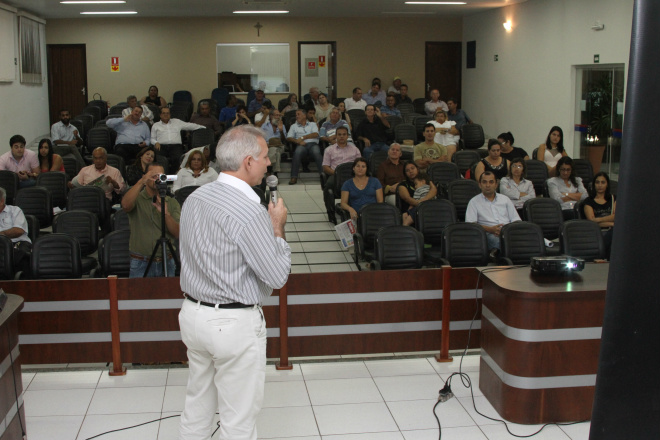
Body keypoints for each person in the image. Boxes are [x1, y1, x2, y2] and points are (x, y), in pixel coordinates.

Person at [178, 125, 290, 440]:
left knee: (197, 404)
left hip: (193, 315)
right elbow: (277, 277)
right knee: (238, 419)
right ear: (248, 161)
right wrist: (277, 228)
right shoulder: (248, 211)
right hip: (233, 324)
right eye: (265, 156)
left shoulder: (194, 198)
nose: (269, 163)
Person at [122, 162, 180, 278]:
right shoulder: (137, 198)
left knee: (168, 296)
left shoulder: (172, 202)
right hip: (141, 262)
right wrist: (142, 181)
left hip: (167, 260)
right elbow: (126, 205)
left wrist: (166, 214)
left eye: (160, 176)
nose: (156, 179)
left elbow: (177, 233)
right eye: (153, 176)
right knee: (139, 296)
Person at [466, 170, 521, 253]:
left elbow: (516, 220)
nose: (488, 185)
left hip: (508, 232)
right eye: (484, 182)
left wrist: (506, 231)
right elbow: (471, 225)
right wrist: (490, 229)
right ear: (480, 185)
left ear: (496, 184)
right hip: (488, 233)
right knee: (499, 241)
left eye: (491, 182)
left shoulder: (505, 199)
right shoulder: (473, 202)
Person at [322, 126, 361, 223]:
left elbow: (360, 164)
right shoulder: (329, 150)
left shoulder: (355, 149)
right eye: (339, 134)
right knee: (328, 187)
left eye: (344, 134)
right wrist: (336, 174)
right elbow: (325, 167)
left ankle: (360, 210)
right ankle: (330, 213)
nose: (342, 137)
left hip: (353, 175)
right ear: (336, 136)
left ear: (347, 136)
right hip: (335, 175)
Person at [151, 106, 206, 172]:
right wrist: (155, 142)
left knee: (177, 158)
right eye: (164, 113)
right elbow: (152, 138)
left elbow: (189, 126)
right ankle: (163, 176)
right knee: (160, 159)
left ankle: (175, 176)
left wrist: (203, 127)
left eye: (167, 113)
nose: (166, 115)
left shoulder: (177, 122)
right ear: (160, 115)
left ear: (170, 114)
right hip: (161, 146)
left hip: (175, 146)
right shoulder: (156, 125)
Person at [340, 157, 383, 222]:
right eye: (358, 166)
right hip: (355, 215)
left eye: (363, 167)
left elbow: (380, 202)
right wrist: (350, 209)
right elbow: (343, 203)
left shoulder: (375, 181)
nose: (360, 169)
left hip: (373, 214)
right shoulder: (347, 184)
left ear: (367, 169)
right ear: (353, 168)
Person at [0, 186, 32, 274]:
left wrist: (1, 234)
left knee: (20, 255)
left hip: (17, 243)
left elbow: (19, 230)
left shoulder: (15, 211)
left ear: (2, 201)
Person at [584, 171, 615, 259]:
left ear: (607, 184)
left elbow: (616, 217)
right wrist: (611, 223)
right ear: (594, 185)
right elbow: (591, 223)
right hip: (597, 232)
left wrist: (598, 219)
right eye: (597, 182)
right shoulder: (588, 201)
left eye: (603, 182)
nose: (600, 185)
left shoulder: (613, 198)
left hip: (611, 231)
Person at [286, 109, 321, 185]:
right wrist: (297, 141)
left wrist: (303, 137)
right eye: (296, 115)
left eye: (298, 114)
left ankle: (323, 175)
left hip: (313, 144)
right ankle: (294, 177)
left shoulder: (312, 124)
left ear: (304, 116)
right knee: (297, 153)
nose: (296, 116)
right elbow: (288, 137)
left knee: (317, 152)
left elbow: (315, 134)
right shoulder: (293, 126)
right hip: (301, 145)